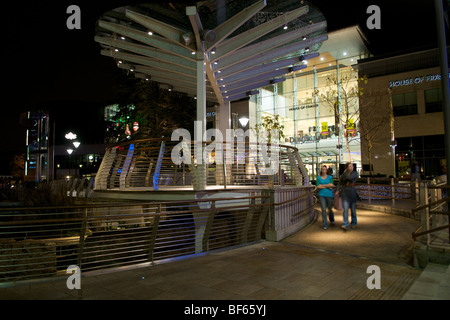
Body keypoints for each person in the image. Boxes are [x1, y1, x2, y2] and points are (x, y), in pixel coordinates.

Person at [338, 162, 359, 230]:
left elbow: (349, 178)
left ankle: (354, 222)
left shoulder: (355, 173)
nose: (351, 167)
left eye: (352, 166)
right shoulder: (344, 174)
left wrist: (345, 174)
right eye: (350, 166)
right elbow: (340, 182)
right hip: (345, 193)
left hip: (352, 193)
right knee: (345, 209)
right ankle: (345, 224)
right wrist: (337, 190)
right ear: (347, 167)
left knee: (353, 209)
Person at [316, 165, 335, 229]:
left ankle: (331, 218)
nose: (323, 170)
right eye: (322, 169)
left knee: (329, 209)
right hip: (321, 195)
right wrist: (327, 185)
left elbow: (332, 185)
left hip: (329, 195)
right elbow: (318, 186)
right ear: (321, 170)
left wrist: (323, 185)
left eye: (324, 169)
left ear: (326, 170)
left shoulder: (329, 177)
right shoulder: (318, 178)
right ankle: (325, 224)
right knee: (323, 209)